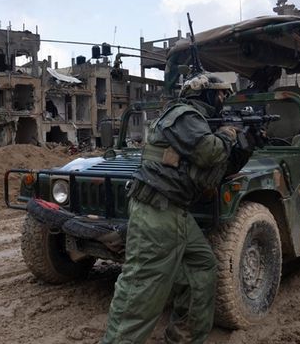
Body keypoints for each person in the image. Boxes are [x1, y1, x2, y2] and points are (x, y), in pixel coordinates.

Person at [102, 73, 254, 344]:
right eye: (220, 94)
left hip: (175, 212)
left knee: (202, 266)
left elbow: (213, 169)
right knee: (141, 290)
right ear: (204, 93)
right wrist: (229, 135)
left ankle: (184, 337)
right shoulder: (184, 115)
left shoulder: (197, 121)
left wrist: (248, 143)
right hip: (157, 213)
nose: (223, 100)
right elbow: (209, 152)